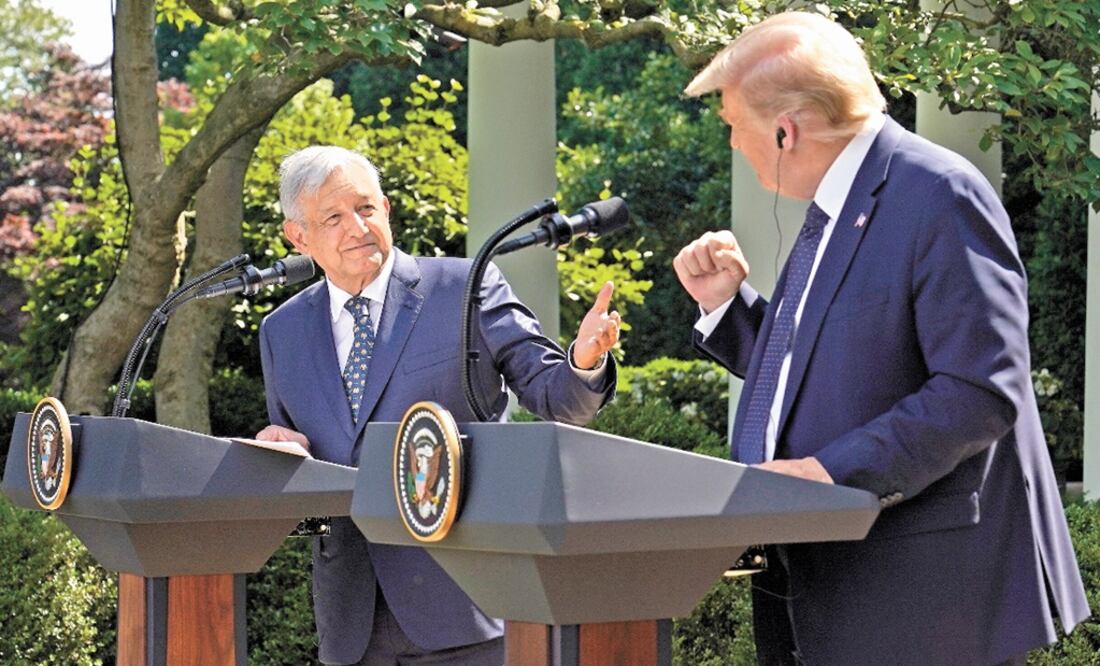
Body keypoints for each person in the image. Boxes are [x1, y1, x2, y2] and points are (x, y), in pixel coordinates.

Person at [673, 11, 1088, 665]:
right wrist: (727, 309)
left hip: (920, 606)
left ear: (786, 130)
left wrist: (829, 474)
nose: (731, 144)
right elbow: (826, 377)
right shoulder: (833, 208)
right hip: (819, 592)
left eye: (733, 125)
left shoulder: (939, 194)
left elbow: (980, 389)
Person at [256, 146, 620, 665]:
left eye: (365, 208)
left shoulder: (463, 288)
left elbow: (555, 397)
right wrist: (275, 454)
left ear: (386, 209)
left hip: (468, 606)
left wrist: (583, 360)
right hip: (351, 622)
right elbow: (298, 459)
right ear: (299, 237)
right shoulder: (282, 332)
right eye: (333, 217)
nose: (356, 226)